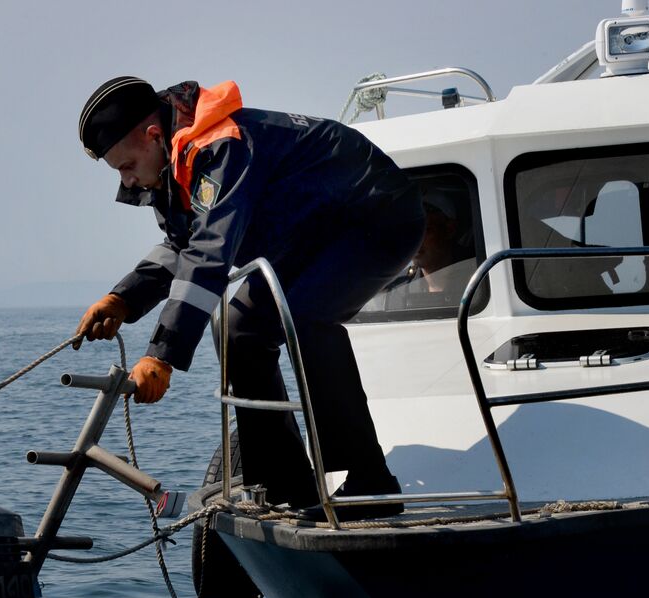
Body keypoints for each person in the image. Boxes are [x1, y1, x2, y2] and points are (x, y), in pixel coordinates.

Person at [73, 76, 423, 512]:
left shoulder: (219, 148)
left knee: (307, 317)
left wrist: (161, 356)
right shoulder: (175, 161)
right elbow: (184, 245)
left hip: (376, 214)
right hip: (312, 233)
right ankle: (285, 486)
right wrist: (123, 299)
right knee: (238, 330)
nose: (126, 180)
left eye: (125, 167)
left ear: (153, 135)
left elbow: (207, 255)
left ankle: (371, 482)